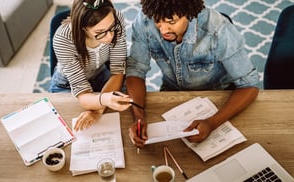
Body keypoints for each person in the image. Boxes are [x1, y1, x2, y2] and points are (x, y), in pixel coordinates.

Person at [126, 0, 260, 147]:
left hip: (217, 96)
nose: (163, 30)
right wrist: (138, 118)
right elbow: (136, 71)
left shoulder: (218, 29)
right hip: (172, 91)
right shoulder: (145, 19)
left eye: (171, 21)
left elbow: (249, 84)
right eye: (158, 21)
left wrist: (212, 123)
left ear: (189, 14)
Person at [49, 0, 132, 131]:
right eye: (101, 32)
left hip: (102, 76)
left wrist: (97, 110)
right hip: (67, 85)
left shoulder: (117, 19)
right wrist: (103, 101)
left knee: (126, 116)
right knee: (69, 127)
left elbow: (118, 71)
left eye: (112, 27)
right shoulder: (63, 39)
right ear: (83, 28)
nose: (110, 36)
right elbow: (82, 93)